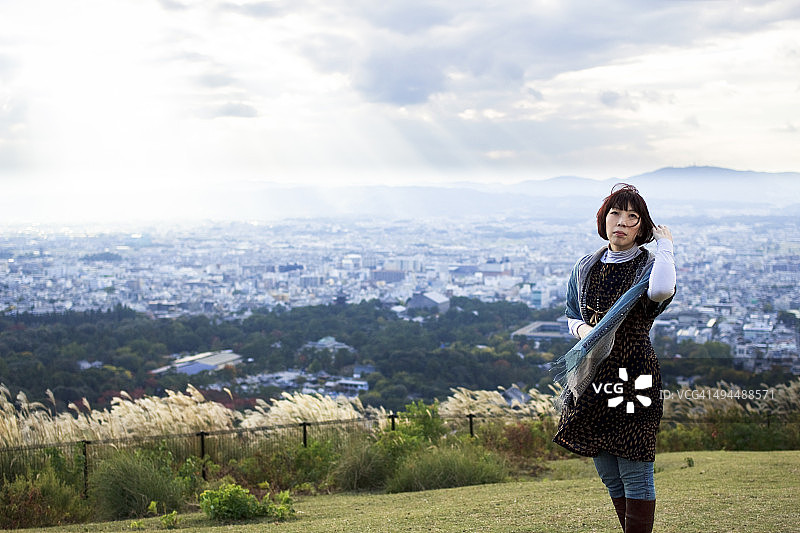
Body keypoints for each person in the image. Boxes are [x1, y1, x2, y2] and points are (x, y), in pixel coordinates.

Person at [551, 183, 676, 533]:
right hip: (592, 374)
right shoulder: (585, 266)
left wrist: (665, 244)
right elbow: (572, 314)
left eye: (632, 217)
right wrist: (583, 333)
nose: (620, 222)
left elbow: (663, 290)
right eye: (614, 213)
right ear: (603, 219)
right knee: (608, 472)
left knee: (635, 467)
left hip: (635, 374)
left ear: (643, 227)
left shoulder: (648, 266)